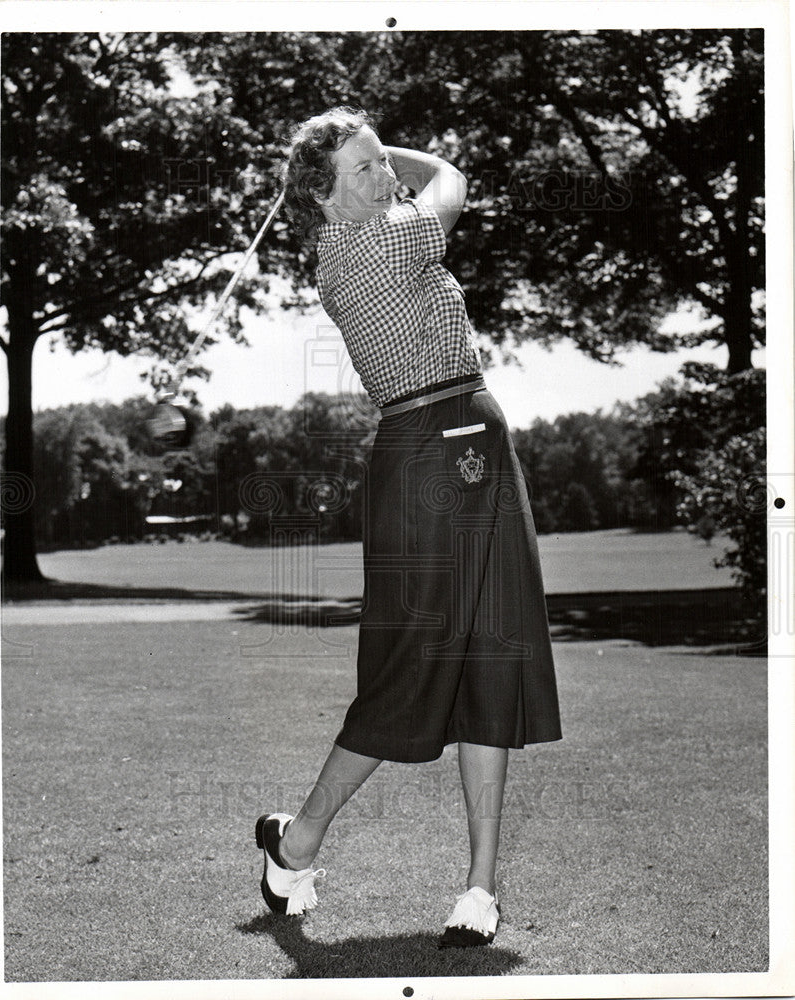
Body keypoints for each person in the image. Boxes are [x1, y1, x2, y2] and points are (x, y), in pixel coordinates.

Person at [255, 106, 561, 948]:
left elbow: (419, 189)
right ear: (321, 199)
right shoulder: (363, 247)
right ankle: (298, 842)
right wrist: (403, 151)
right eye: (363, 169)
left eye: (380, 162)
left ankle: (479, 891)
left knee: (490, 657)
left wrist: (373, 153)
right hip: (425, 450)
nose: (386, 177)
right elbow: (451, 181)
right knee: (408, 666)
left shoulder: (385, 225)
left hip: (478, 431)